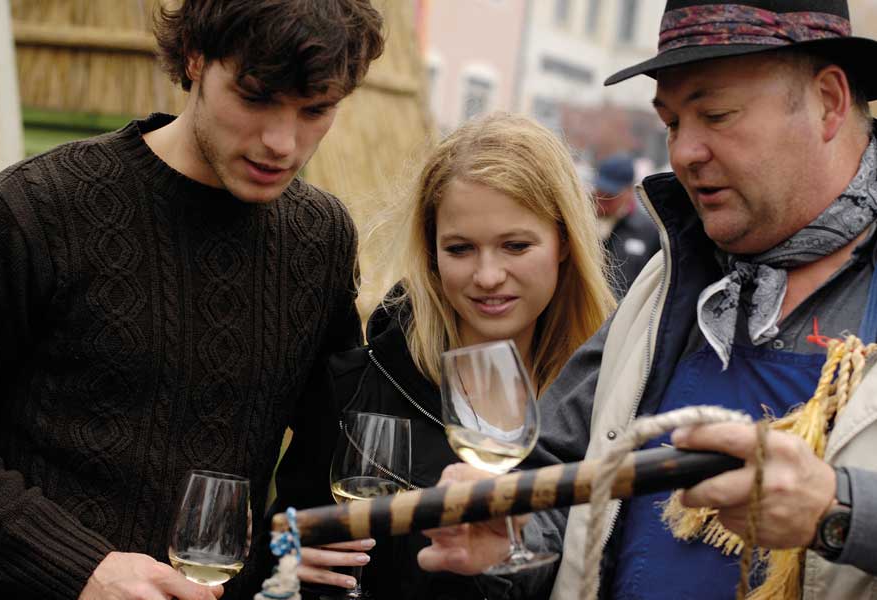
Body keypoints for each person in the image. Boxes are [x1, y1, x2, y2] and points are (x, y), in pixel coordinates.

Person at [418, 1, 877, 598]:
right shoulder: (665, 284)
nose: (684, 152)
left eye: (715, 114)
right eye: (672, 123)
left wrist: (839, 513)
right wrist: (513, 541)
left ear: (829, 101)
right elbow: (557, 494)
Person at [0, 1, 384, 599]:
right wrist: (79, 567)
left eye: (315, 110)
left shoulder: (320, 240)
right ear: (195, 57)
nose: (281, 141)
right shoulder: (33, 211)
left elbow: (331, 458)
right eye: (256, 97)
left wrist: (291, 552)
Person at [271, 112, 616, 599]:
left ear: (563, 242)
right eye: (460, 249)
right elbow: (280, 544)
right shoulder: (359, 386)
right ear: (431, 252)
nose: (488, 275)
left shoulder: (612, 399)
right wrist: (285, 565)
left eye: (515, 245)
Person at [592, 153, 660, 298]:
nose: (601, 202)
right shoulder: (584, 222)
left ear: (628, 192)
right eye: (598, 194)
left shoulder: (649, 231)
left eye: (610, 196)